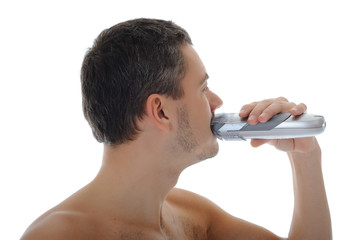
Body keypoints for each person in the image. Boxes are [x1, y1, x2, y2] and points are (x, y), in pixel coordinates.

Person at [21, 18, 332, 240]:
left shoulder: (190, 215)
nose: (216, 101)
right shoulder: (59, 235)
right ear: (160, 110)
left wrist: (305, 156)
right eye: (203, 89)